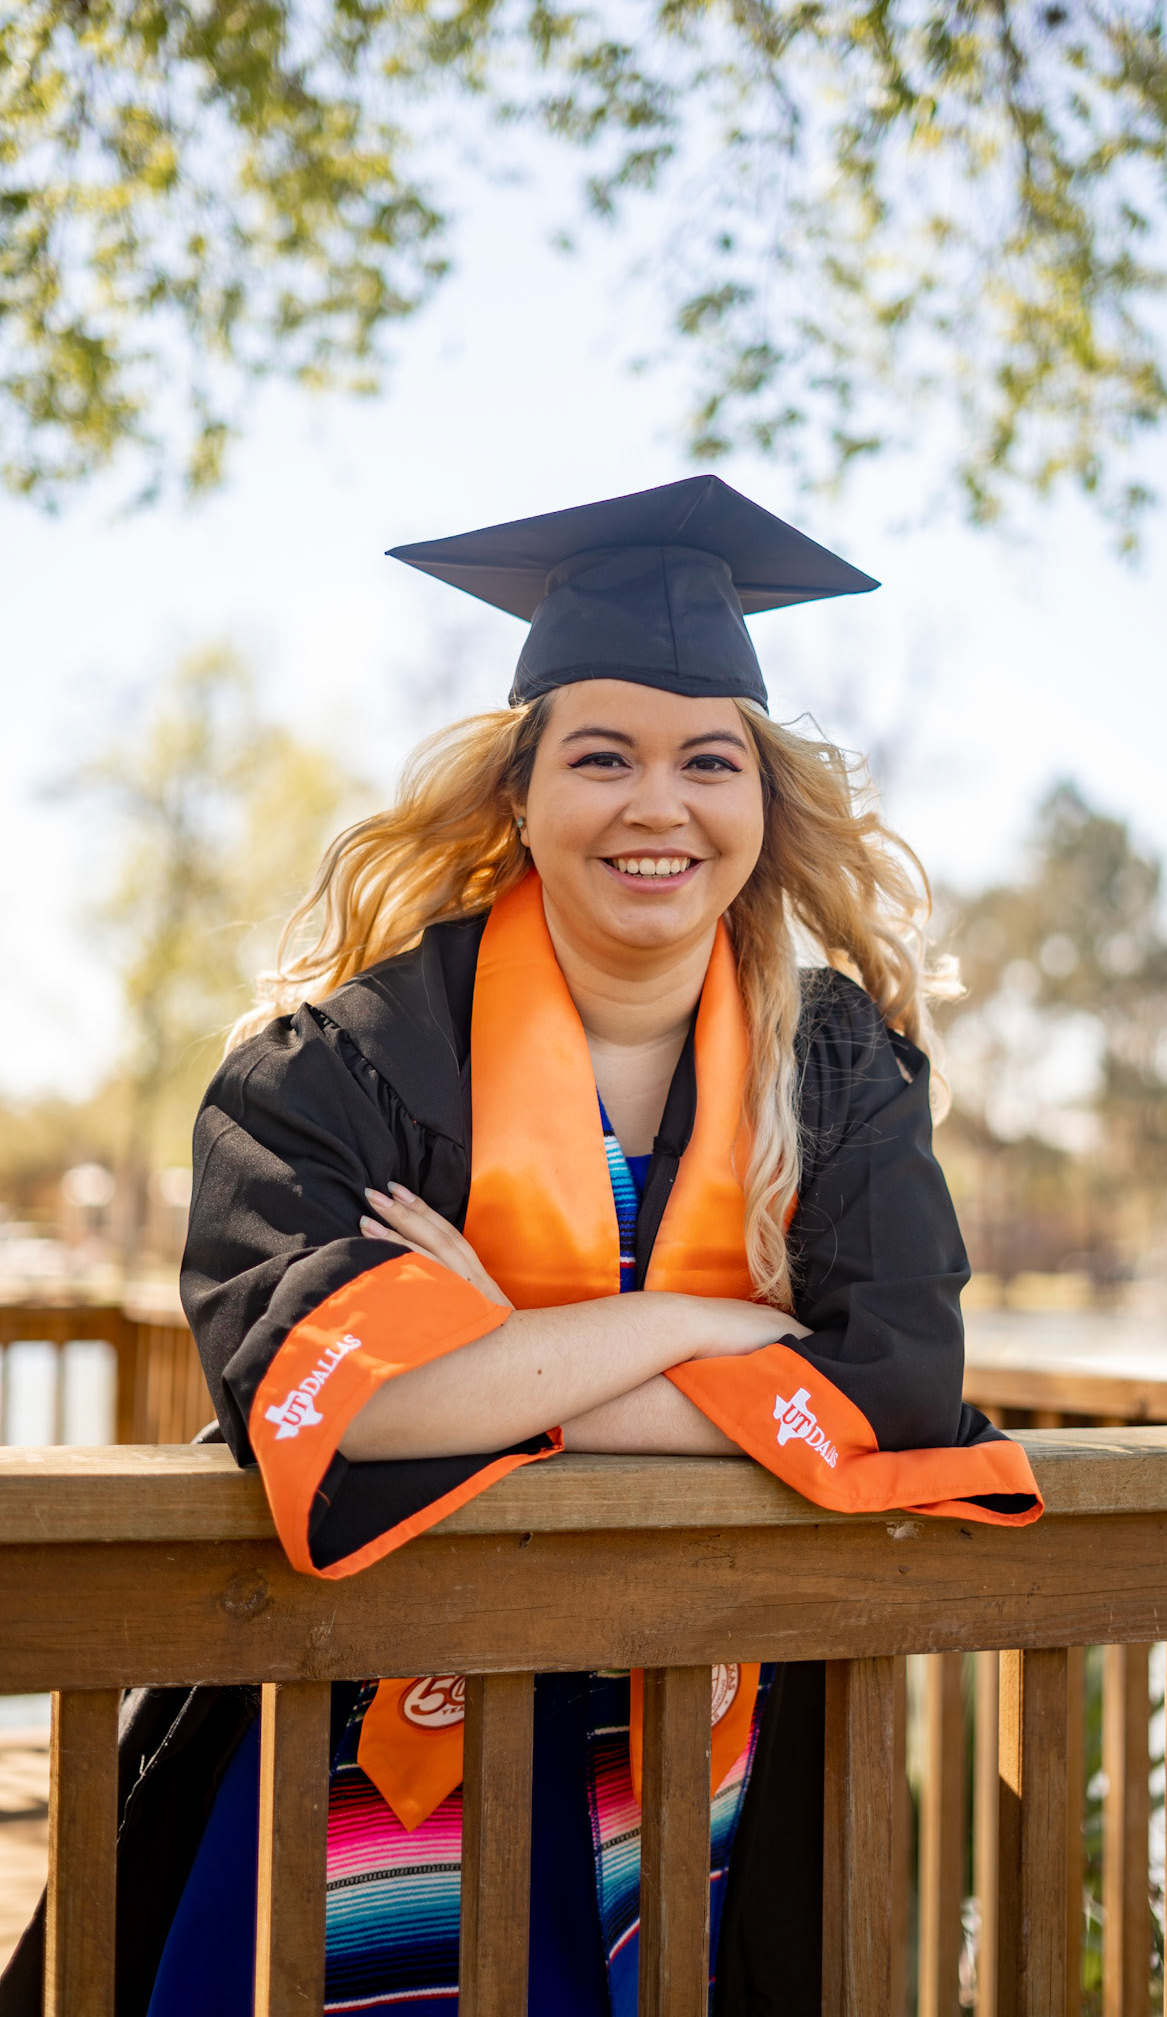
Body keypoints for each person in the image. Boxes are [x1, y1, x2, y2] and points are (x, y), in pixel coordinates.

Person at [0, 475, 1041, 2017]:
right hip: (354, 1731)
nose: (657, 805)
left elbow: (893, 1393)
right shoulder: (343, 1064)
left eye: (707, 761)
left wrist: (499, 1363)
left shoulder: (832, 1069)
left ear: (760, 803)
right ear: (518, 795)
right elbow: (336, 1400)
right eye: (601, 755)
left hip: (709, 1743)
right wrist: (700, 1328)